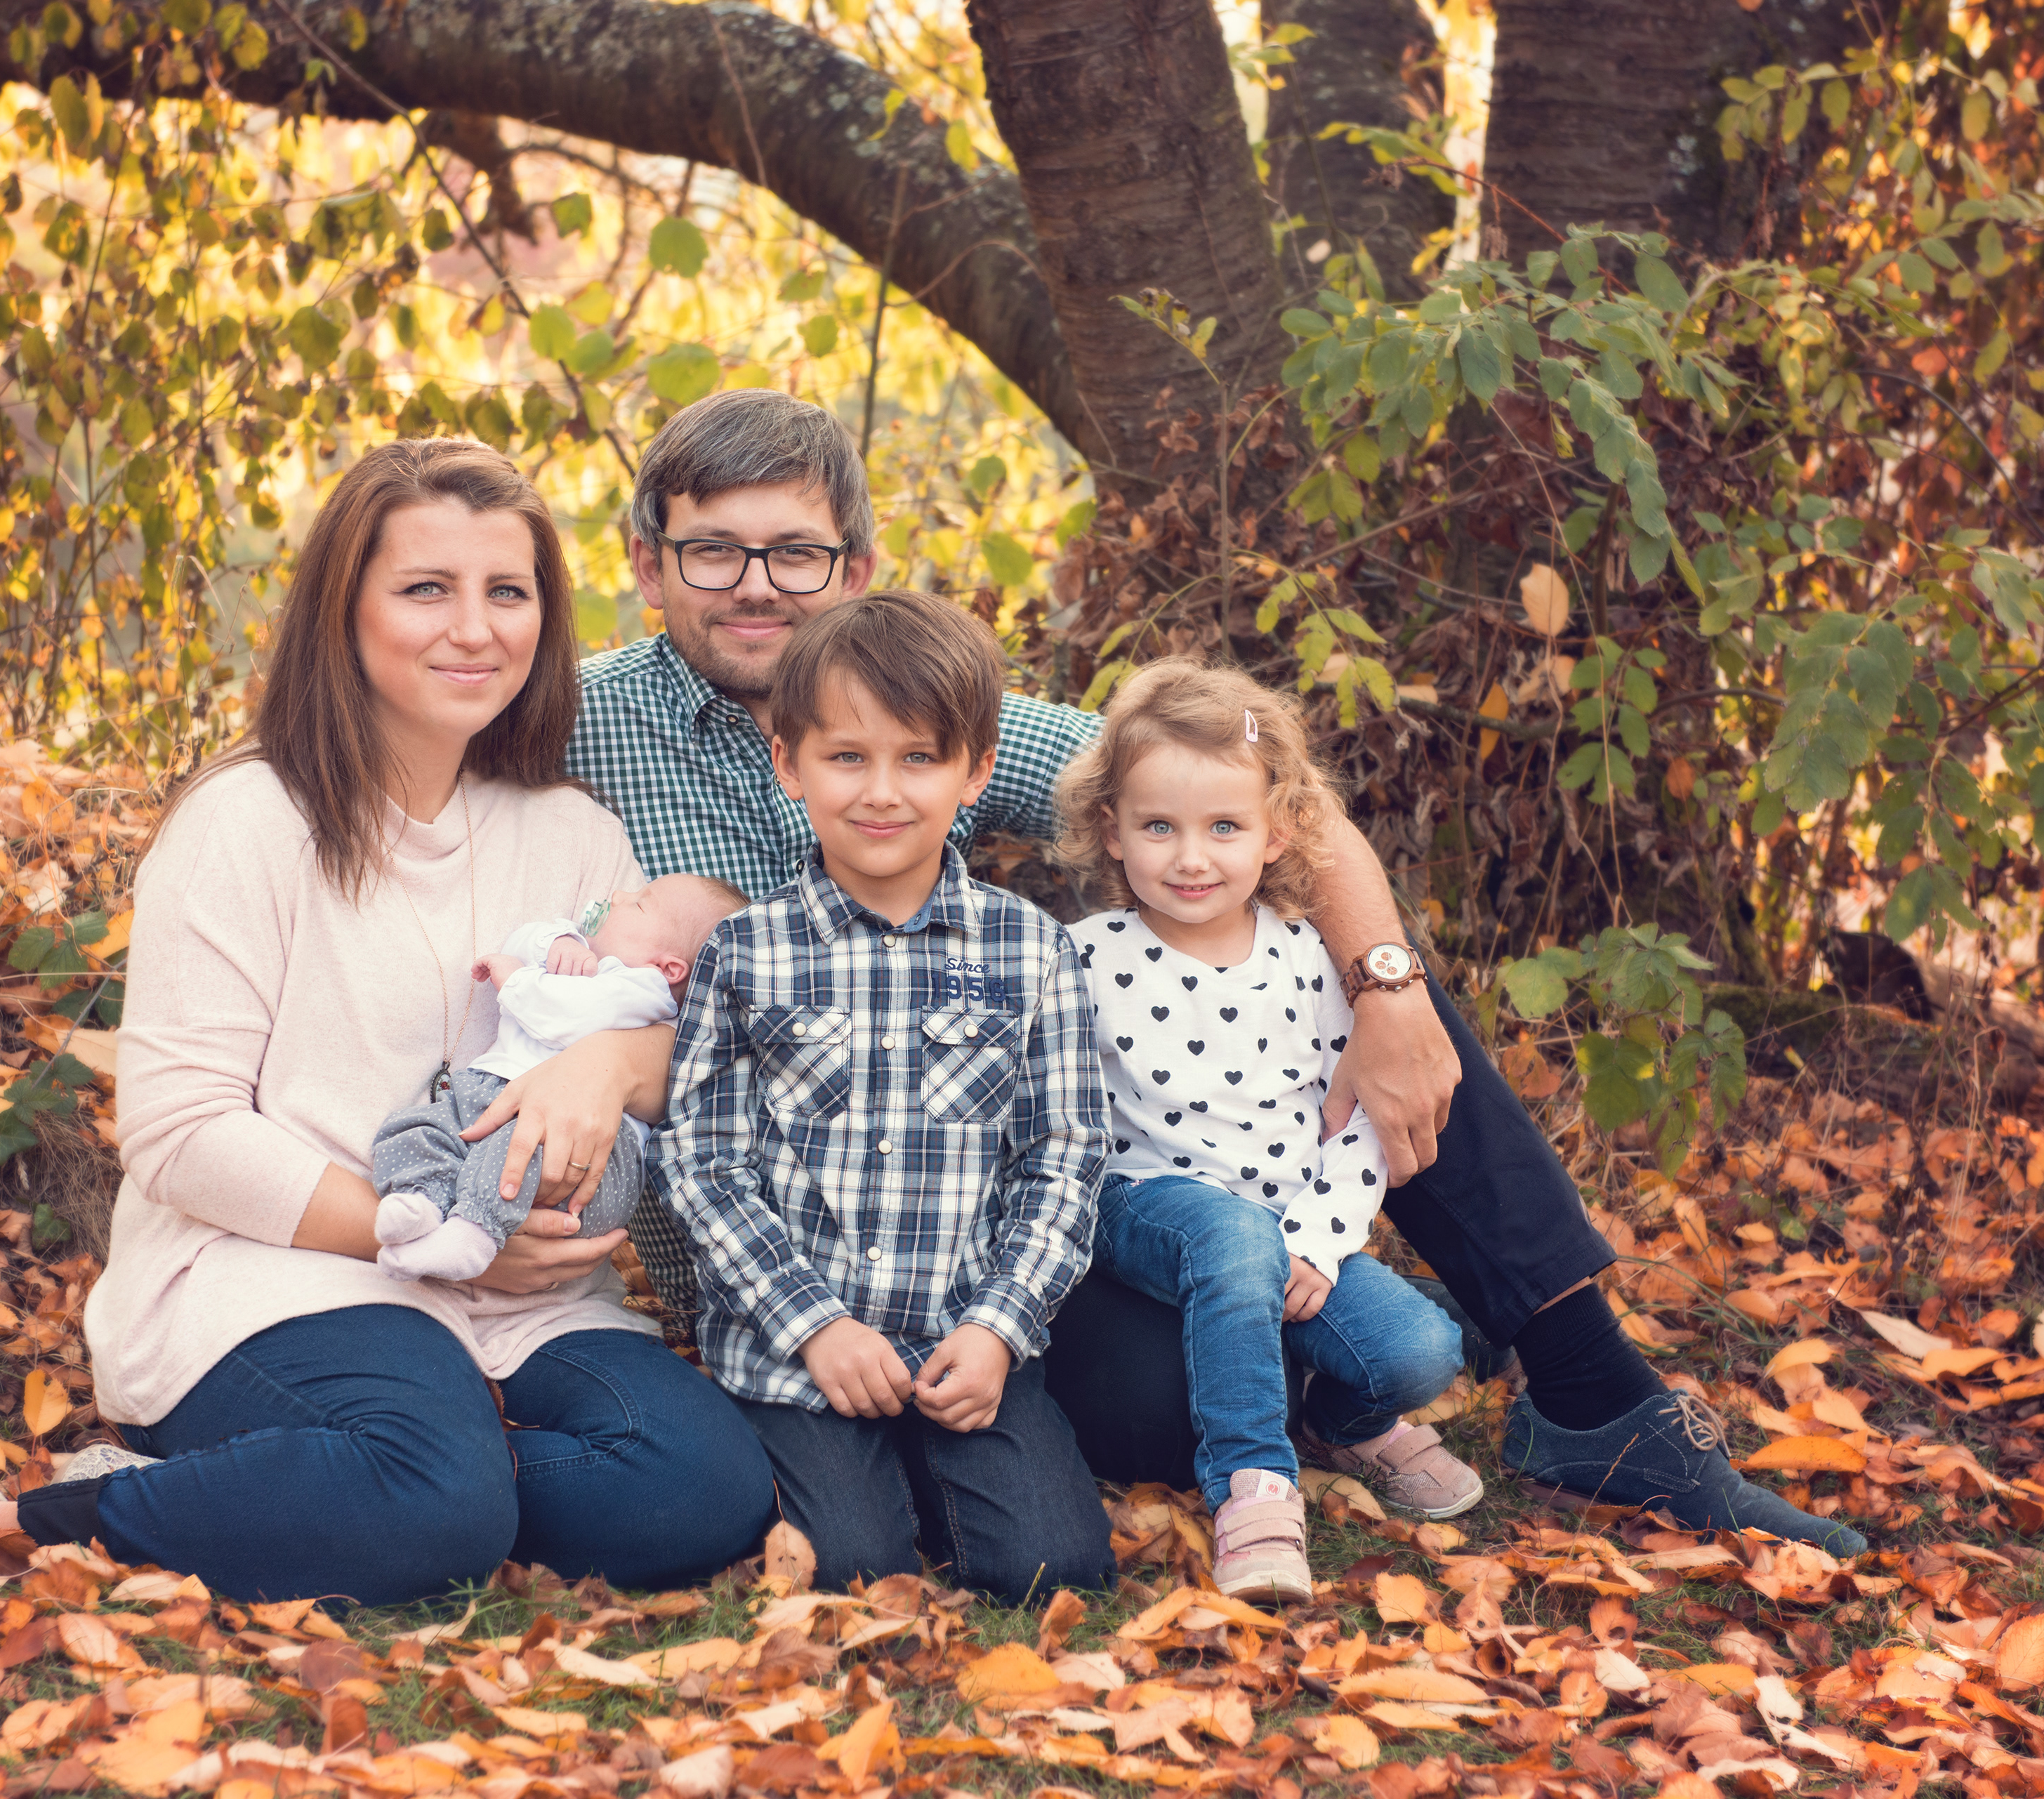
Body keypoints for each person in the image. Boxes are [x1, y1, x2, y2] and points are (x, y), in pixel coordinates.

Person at [572, 388, 1866, 1557]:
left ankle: (1594, 1397)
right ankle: (1327, 1376)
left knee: (1367, 994)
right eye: (713, 551)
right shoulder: (573, 725)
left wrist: (1391, 982)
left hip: (1006, 1223)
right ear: (647, 564)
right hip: (802, 1248)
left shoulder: (929, 707)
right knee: (1157, 1407)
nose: (756, 586)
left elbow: (1245, 794)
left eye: (795, 552)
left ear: (856, 565)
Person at [0, 439, 775, 1602]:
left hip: (518, 1293)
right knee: (439, 1497)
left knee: (699, 1492)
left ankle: (326, 1479)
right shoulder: (246, 821)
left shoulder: (574, 834)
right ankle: (31, 1519)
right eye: (425, 590)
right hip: (279, 1266)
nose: (475, 628)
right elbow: (184, 1133)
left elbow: (652, 1038)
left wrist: (613, 1065)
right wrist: (425, 1233)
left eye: (509, 592)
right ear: (343, 609)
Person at [657, 589, 1114, 1600]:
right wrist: (814, 1323)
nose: (883, 791)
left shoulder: (1030, 950)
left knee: (1051, 1568)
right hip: (800, 1347)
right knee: (857, 1568)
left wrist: (999, 1325)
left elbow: (1066, 1155)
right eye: (847, 756)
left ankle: (950, 1467)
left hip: (967, 1336)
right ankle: (858, 1481)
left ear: (976, 771)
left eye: (919, 758)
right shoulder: (747, 952)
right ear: (790, 764)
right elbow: (703, 1161)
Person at [1055, 659, 1479, 1603]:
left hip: (1289, 1218)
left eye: (1224, 828)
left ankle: (1338, 1419)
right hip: (1147, 1203)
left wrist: (1323, 1243)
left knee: (1421, 1349)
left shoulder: (1307, 956)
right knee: (1227, 1235)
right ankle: (1253, 1485)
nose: (1191, 856)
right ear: (1111, 831)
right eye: (1158, 826)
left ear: (1277, 830)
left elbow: (1360, 1119)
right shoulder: (1082, 960)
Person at [374, 873, 747, 1282]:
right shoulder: (590, 958)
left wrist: (516, 980)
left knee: (516, 1151)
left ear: (669, 968)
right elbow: (521, 941)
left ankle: (474, 1233)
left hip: (582, 1144)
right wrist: (556, 944)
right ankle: (422, 1202)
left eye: (639, 903)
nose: (619, 895)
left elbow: (563, 1016)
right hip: (492, 1092)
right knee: (418, 1127)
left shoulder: (644, 991)